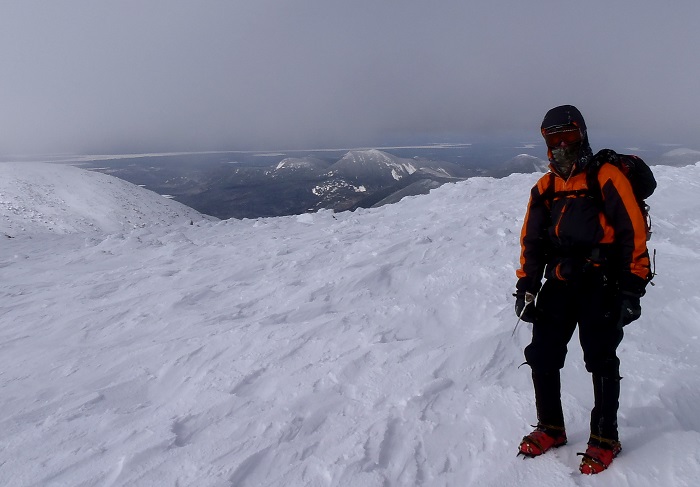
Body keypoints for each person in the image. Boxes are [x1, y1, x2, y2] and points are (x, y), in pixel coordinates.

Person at [514, 105, 652, 474]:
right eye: (552, 139)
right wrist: (526, 285)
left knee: (600, 357)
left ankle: (606, 437)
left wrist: (632, 288)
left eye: (568, 137)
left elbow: (632, 233)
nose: (560, 146)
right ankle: (551, 427)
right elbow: (532, 240)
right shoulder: (545, 188)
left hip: (601, 282)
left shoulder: (604, 177)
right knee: (542, 352)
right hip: (559, 281)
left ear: (582, 136)